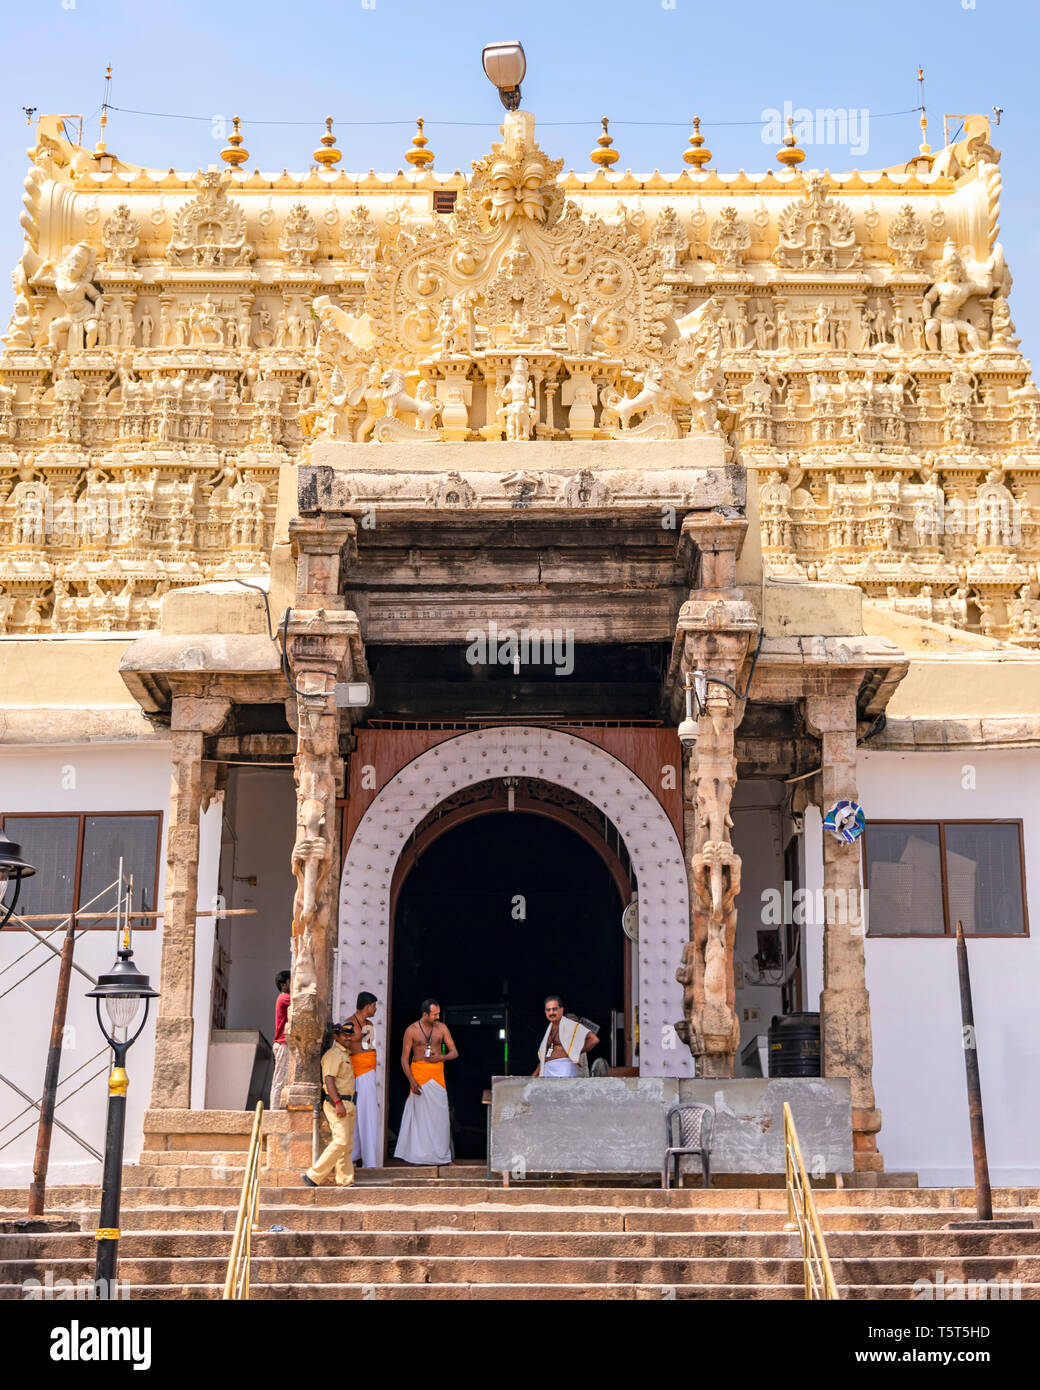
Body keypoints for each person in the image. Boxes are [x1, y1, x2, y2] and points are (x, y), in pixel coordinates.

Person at [394, 999, 458, 1165]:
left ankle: (442, 1156)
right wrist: (411, 1080)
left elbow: (454, 1052)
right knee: (420, 1118)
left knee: (441, 1117)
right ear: (425, 1014)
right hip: (419, 1074)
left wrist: (441, 1057)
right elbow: (404, 1058)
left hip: (437, 1074)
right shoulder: (412, 1030)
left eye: (438, 1013)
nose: (438, 1016)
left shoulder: (442, 1028)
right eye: (434, 1014)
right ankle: (419, 1157)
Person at [301, 1023, 357, 1188]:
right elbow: (329, 1080)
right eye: (344, 1035)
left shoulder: (345, 1054)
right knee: (340, 1141)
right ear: (336, 1036)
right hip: (337, 1103)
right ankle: (313, 1175)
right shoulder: (334, 1054)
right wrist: (338, 1103)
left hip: (349, 1102)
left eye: (350, 1035)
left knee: (346, 1145)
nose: (348, 1038)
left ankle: (345, 1180)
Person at [347, 991, 380, 1170]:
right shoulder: (348, 1023)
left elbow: (368, 1047)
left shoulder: (369, 1024)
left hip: (368, 1073)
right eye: (374, 1005)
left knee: (369, 1116)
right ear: (368, 1005)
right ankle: (353, 1156)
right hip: (354, 1073)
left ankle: (369, 1161)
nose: (375, 1009)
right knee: (357, 1116)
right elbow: (342, 1045)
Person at [534, 996, 599, 1077]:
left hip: (565, 1070)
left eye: (554, 1009)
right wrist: (535, 1074)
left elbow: (594, 1040)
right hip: (548, 1069)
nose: (551, 1012)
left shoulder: (575, 1035)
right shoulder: (551, 1028)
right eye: (548, 1010)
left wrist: (573, 1053)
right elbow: (544, 1056)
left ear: (561, 1010)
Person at [270, 970, 290, 1110]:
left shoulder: (283, 998)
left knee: (282, 1078)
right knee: (280, 1079)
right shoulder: (284, 998)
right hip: (282, 1043)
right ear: (284, 984)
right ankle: (274, 1110)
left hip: (283, 1043)